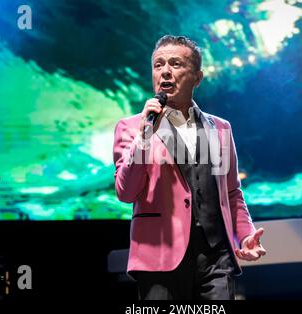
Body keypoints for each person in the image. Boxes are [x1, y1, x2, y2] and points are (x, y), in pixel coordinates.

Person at [113, 35, 266, 300]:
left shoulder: (220, 128)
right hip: (161, 255)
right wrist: (144, 137)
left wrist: (246, 235)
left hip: (216, 257)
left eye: (175, 64)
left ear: (197, 77)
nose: (165, 72)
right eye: (158, 65)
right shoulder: (132, 127)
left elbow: (232, 193)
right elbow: (126, 192)